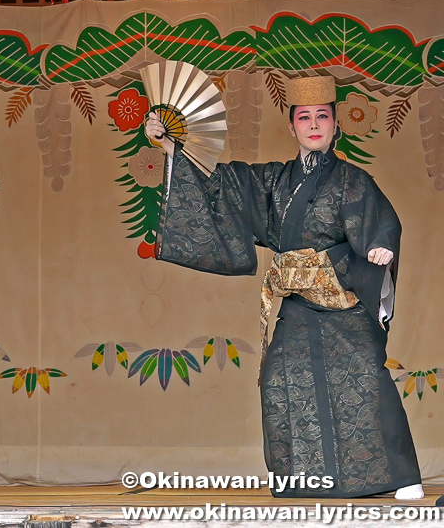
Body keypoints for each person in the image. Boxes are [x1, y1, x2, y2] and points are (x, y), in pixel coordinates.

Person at [145, 75, 423, 499]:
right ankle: (304, 478)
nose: (314, 125)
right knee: (280, 381)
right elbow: (222, 185)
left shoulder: (353, 180)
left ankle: (403, 478)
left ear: (336, 125)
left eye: (323, 117)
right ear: (292, 127)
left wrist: (380, 246)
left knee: (367, 379)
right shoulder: (274, 181)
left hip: (343, 301)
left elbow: (380, 224)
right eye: (304, 117)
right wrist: (171, 148)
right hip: (297, 304)